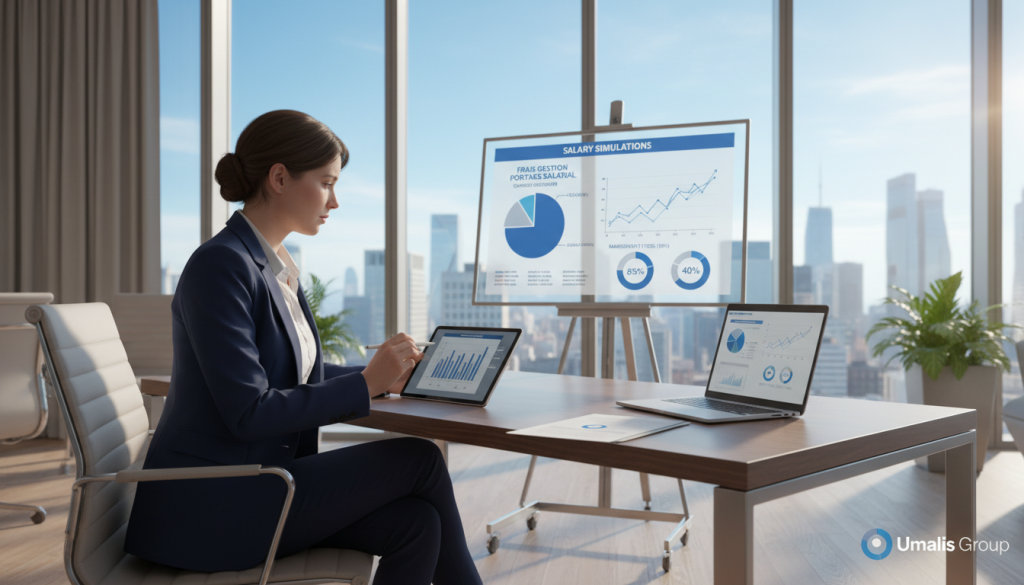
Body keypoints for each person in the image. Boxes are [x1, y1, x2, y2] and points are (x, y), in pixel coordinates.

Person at [124, 110, 483, 585]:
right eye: (327, 182)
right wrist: (364, 384)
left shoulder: (274, 268)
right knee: (419, 459)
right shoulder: (221, 266)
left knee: (417, 524)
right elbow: (248, 412)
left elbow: (295, 372)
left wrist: (382, 378)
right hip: (213, 506)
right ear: (279, 178)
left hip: (258, 486)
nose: (335, 201)